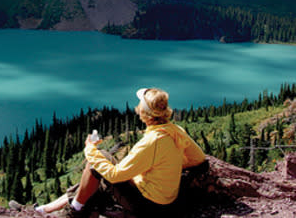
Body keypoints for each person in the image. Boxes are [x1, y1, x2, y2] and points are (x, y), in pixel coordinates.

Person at [35, 87, 206, 217]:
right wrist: (169, 165)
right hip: (163, 198)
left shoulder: (152, 141)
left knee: (97, 164)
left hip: (149, 205)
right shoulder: (175, 131)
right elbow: (198, 158)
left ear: (145, 113)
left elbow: (115, 175)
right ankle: (47, 209)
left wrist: (90, 149)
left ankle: (73, 211)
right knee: (101, 165)